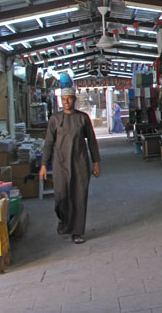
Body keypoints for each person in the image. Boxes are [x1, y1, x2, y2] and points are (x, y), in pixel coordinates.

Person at [40, 88, 101, 244]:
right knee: (61, 197)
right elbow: (48, 143)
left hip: (80, 162)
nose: (66, 101)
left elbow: (92, 141)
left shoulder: (83, 118)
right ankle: (64, 221)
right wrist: (43, 165)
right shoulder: (55, 119)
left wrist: (96, 162)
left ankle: (77, 232)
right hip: (60, 164)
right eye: (63, 99)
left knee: (79, 197)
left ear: (75, 99)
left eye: (69, 98)